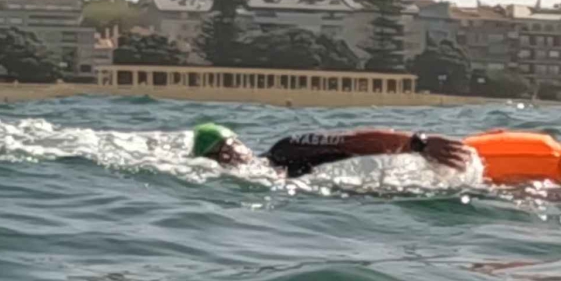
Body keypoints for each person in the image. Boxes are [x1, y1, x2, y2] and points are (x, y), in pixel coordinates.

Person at [191, 123, 473, 178]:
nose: (227, 156)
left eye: (227, 147)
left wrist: (418, 142)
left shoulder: (287, 149)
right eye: (216, 154)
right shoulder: (235, 183)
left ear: (239, 144)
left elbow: (351, 140)